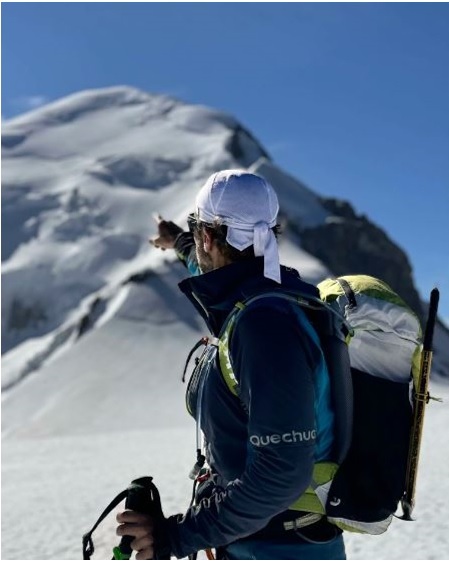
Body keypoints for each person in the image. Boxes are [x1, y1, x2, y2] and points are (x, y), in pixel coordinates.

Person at [116, 170, 346, 560]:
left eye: (198, 231)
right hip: (270, 544)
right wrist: (177, 241)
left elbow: (280, 476)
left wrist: (175, 536)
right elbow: (210, 261)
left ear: (209, 236)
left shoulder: (264, 326)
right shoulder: (266, 298)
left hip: (277, 550)